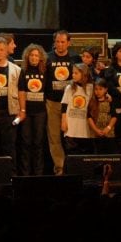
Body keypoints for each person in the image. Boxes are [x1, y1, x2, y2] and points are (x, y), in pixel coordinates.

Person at [44, 30, 82, 175]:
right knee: (54, 137)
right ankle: (59, 168)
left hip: (72, 103)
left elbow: (82, 78)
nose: (60, 45)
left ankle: (73, 167)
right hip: (52, 102)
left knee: (71, 136)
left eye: (63, 42)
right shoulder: (47, 58)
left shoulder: (75, 58)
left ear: (68, 43)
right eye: (57, 42)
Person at [0, 36, 21, 171]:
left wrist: (21, 112)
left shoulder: (16, 70)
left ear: (6, 50)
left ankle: (11, 176)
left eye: (1, 49)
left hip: (10, 113)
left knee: (10, 146)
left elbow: (21, 92)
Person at [17, 43, 48, 176]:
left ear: (40, 57)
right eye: (32, 55)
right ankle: (25, 174)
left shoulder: (45, 71)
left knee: (38, 143)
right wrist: (22, 111)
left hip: (40, 112)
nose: (34, 58)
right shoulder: (23, 71)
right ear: (27, 57)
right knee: (26, 142)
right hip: (26, 112)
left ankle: (38, 174)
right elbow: (21, 90)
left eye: (37, 55)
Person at [60, 63, 95, 155]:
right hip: (71, 127)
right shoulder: (70, 88)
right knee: (71, 153)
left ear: (83, 74)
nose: (73, 75)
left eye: (76, 73)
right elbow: (64, 106)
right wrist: (63, 122)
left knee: (84, 153)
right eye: (73, 73)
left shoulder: (90, 88)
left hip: (84, 127)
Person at [87, 77, 118, 154]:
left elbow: (114, 116)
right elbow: (89, 117)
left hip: (109, 133)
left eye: (100, 89)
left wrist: (108, 128)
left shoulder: (110, 101)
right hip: (95, 134)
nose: (98, 92)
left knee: (109, 154)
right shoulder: (92, 102)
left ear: (105, 89)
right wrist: (96, 130)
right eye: (96, 89)